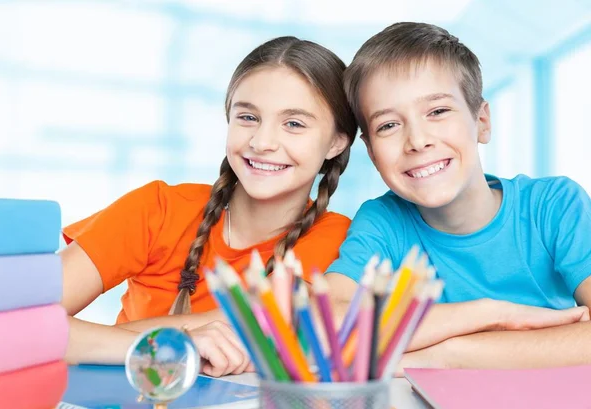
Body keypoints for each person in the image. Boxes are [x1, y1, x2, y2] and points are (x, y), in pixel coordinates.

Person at [60, 36, 358, 377]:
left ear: (337, 141)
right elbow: (11, 323)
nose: (262, 142)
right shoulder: (158, 209)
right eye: (247, 117)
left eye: (294, 124)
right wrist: (176, 341)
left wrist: (95, 338)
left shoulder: (342, 246)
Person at [325, 22, 591, 373]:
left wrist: (449, 355)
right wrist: (492, 314)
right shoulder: (383, 221)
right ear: (372, 152)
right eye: (388, 125)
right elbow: (324, 326)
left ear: (481, 121)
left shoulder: (554, 206)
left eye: (437, 112)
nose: (417, 141)